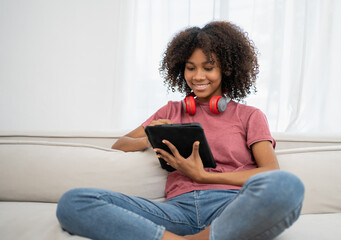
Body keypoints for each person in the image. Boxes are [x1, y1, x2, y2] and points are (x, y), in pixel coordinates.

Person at [56, 21, 304, 240]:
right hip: (177, 211)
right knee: (74, 202)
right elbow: (119, 144)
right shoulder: (171, 111)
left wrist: (205, 177)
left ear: (227, 69)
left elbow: (269, 172)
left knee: (287, 185)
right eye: (190, 67)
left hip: (230, 208)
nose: (197, 76)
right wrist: (149, 137)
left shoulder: (250, 116)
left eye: (208, 67)